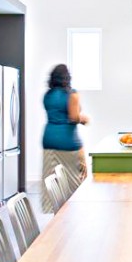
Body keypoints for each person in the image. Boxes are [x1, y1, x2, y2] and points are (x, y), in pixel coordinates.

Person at [42, 64, 89, 212]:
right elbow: (74, 117)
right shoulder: (72, 94)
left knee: (53, 182)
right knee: (77, 179)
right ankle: (74, 213)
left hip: (49, 140)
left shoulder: (47, 95)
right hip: (68, 142)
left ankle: (57, 215)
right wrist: (84, 119)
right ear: (67, 77)